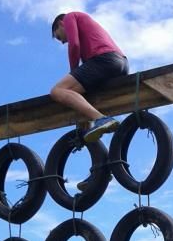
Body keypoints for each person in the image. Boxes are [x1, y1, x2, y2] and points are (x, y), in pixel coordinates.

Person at [50, 12, 129, 147]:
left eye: (59, 37)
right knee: (77, 93)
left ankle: (101, 119)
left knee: (58, 91)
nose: (63, 42)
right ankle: (86, 130)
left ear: (61, 24)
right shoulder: (87, 29)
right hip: (121, 63)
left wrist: (73, 71)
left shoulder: (70, 17)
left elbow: (74, 45)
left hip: (105, 60)